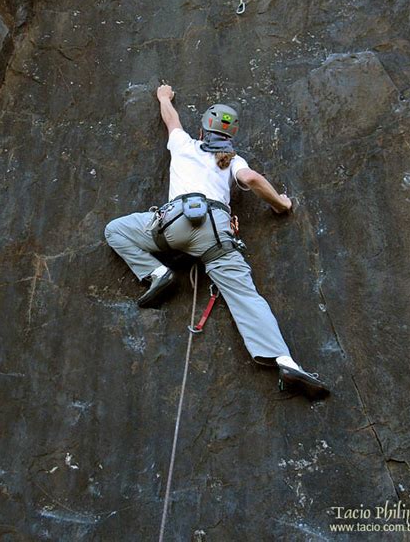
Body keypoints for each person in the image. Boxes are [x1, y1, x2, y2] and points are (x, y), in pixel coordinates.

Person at [104, 84, 330, 400]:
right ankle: (285, 361)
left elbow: (171, 120)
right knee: (245, 295)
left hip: (172, 225)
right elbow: (250, 179)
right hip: (215, 233)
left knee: (116, 229)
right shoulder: (232, 160)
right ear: (231, 136)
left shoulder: (183, 144)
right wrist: (281, 203)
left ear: (202, 129)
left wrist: (164, 98)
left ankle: (157, 274)